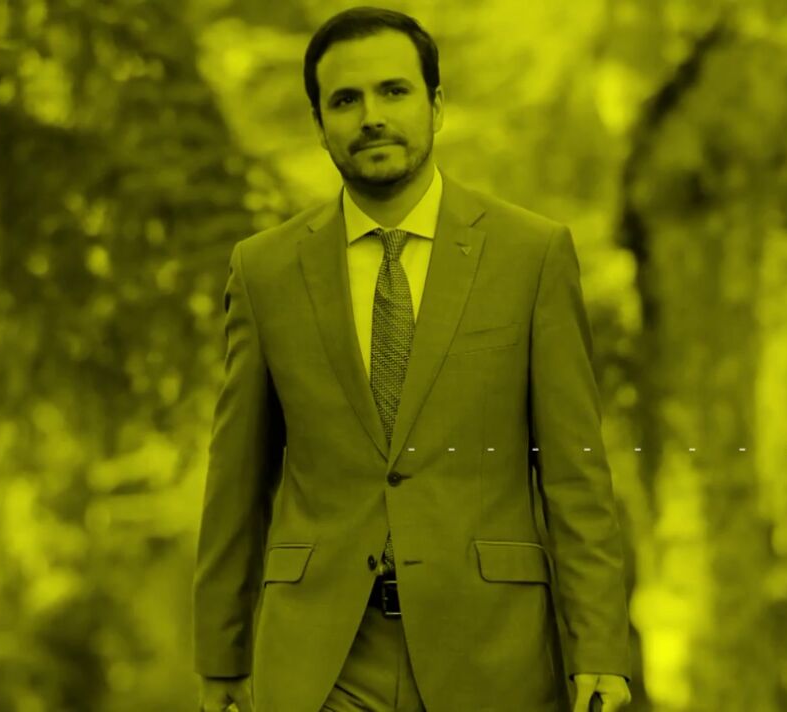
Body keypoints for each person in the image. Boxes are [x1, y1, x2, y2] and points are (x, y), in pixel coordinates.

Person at [193, 7, 633, 711]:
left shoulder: (532, 255)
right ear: (320, 124)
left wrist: (600, 652)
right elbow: (236, 478)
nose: (371, 116)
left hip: (491, 650)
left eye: (393, 91)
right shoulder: (264, 271)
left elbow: (575, 476)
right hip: (321, 659)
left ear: (436, 105)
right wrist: (221, 659)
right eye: (346, 100)